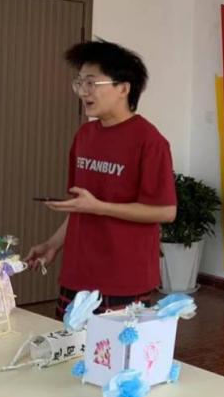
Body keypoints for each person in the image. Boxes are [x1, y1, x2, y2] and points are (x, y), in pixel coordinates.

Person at [25, 40, 177, 320]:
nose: (84, 91)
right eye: (80, 82)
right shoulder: (85, 135)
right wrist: (53, 244)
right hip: (77, 273)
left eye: (92, 83)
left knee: (113, 349)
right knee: (68, 345)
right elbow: (81, 206)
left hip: (123, 277)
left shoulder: (149, 141)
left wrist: (100, 207)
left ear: (123, 88)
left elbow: (166, 211)